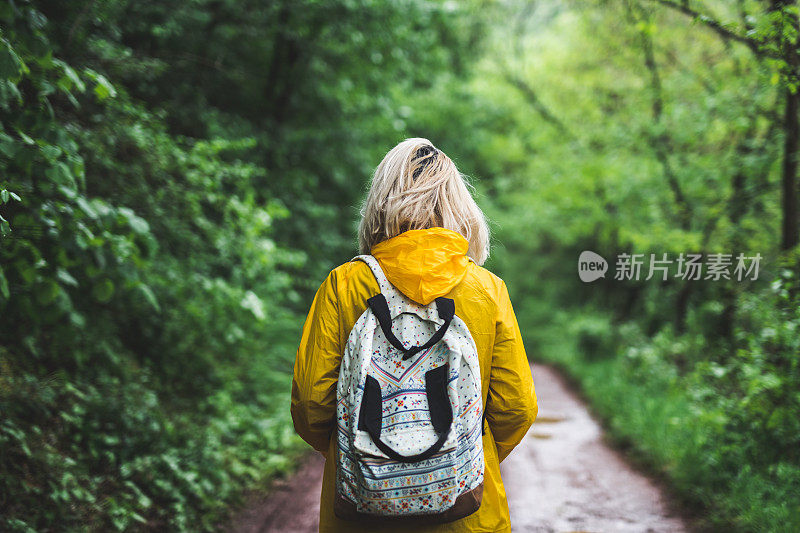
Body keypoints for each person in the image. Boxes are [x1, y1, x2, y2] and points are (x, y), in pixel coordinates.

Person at [291, 137, 538, 533]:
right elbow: (516, 408)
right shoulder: (487, 290)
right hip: (465, 513)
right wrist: (449, 459)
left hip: (361, 513)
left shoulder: (344, 286)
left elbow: (310, 407)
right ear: (459, 205)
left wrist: (373, 461)